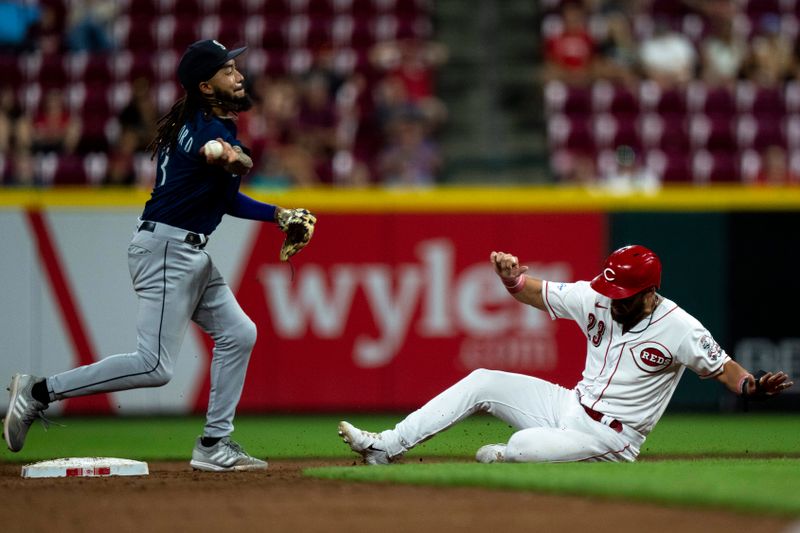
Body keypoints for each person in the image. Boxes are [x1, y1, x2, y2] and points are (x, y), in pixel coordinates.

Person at [3, 39, 316, 471]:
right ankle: (38, 392)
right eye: (228, 70)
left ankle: (213, 444)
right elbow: (217, 157)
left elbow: (224, 199)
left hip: (183, 250)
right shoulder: (206, 132)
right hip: (168, 250)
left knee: (239, 334)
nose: (239, 74)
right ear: (206, 86)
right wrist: (230, 157)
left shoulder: (206, 122)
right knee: (154, 365)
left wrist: (277, 215)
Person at [338, 245, 794, 464]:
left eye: (624, 292)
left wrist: (751, 386)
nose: (612, 297)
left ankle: (508, 457)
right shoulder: (596, 295)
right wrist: (510, 278)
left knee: (520, 446)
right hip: (568, 405)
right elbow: (531, 292)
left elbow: (723, 368)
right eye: (610, 287)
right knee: (482, 380)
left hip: (612, 440)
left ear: (650, 292)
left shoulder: (680, 327)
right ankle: (386, 446)